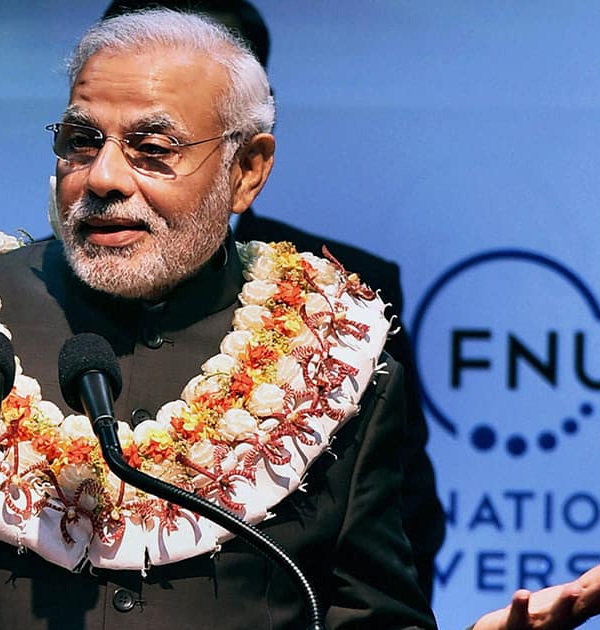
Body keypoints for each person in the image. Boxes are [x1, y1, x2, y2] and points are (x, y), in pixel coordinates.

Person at [0, 9, 600, 630]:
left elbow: (371, 614)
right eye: (83, 142)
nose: (105, 179)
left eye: (152, 149)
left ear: (248, 170)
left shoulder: (338, 347)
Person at [101, 0, 445, 600]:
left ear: (248, 152)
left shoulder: (343, 300)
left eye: (156, 140)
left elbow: (398, 530)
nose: (112, 174)